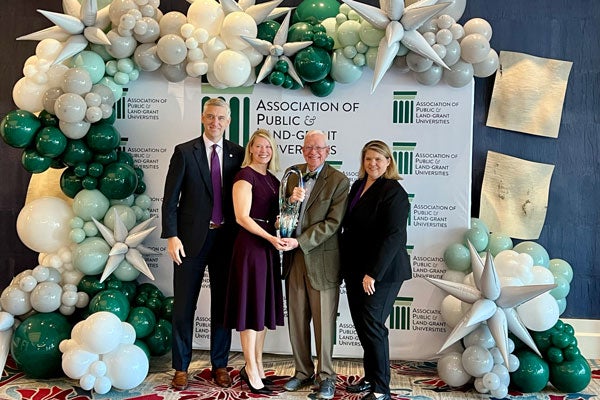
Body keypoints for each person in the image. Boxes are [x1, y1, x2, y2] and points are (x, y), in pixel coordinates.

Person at [161, 98, 245, 391]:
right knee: (184, 306)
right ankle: (181, 367)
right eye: (210, 117)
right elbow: (170, 200)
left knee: (223, 307)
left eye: (221, 118)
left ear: (229, 121)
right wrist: (171, 236)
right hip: (189, 242)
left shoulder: (239, 153)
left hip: (226, 241)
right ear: (202, 118)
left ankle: (220, 365)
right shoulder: (184, 152)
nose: (215, 122)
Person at [280, 130, 350, 399]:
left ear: (327, 150)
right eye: (308, 147)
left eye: (318, 148)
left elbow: (332, 224)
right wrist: (288, 203)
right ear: (302, 149)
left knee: (323, 324)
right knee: (297, 319)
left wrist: (300, 241)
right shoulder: (291, 175)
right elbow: (282, 213)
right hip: (294, 259)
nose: (313, 152)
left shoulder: (339, 181)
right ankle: (302, 371)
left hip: (322, 261)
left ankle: (327, 376)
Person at [340, 140, 412, 400]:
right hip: (356, 270)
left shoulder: (394, 192)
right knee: (363, 325)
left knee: (373, 325)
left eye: (378, 159)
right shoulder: (358, 186)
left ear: (389, 162)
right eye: (368, 159)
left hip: (383, 272)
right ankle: (370, 378)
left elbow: (393, 237)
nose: (373, 163)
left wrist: (373, 273)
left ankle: (381, 389)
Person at [224, 129, 287, 395]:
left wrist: (287, 213)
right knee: (251, 309)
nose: (263, 151)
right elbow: (242, 217)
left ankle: (258, 364)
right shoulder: (244, 176)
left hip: (267, 248)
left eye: (268, 147)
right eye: (259, 146)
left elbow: (274, 217)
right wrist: (270, 238)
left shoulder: (272, 179)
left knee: (261, 310)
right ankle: (250, 367)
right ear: (251, 149)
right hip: (251, 247)